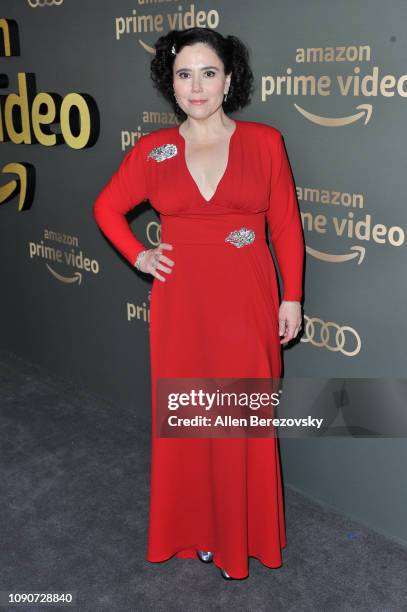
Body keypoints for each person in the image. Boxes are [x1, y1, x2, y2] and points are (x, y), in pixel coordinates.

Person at [93, 26, 304, 580]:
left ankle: (246, 537)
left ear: (229, 80)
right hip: (181, 306)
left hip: (248, 301)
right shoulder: (153, 149)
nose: (196, 85)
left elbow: (284, 226)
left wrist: (294, 297)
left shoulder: (265, 141)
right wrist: (140, 257)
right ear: (172, 83)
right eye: (183, 74)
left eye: (208, 72)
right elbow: (107, 209)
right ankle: (197, 534)